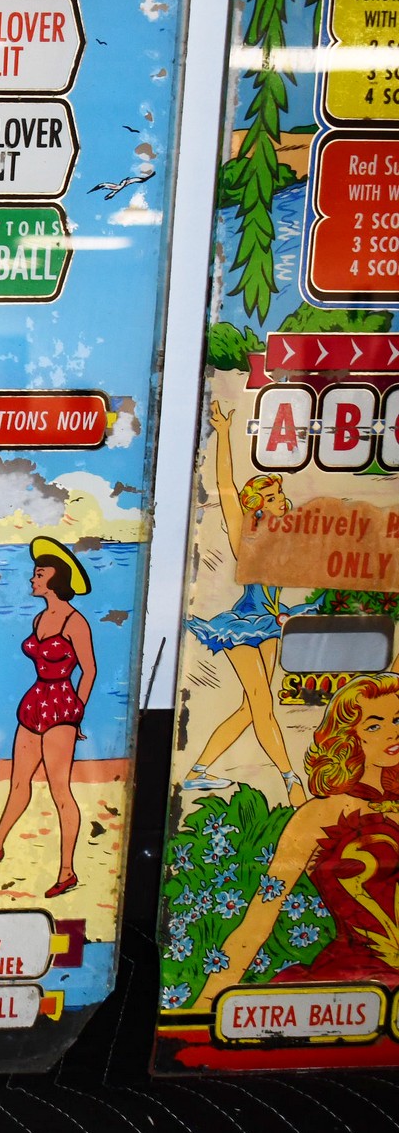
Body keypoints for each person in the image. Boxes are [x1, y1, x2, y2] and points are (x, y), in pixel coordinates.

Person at [197, 673, 399, 1007]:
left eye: (398, 720)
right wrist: (206, 1005)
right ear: (350, 738)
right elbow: (260, 917)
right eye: (374, 725)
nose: (393, 732)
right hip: (357, 981)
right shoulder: (318, 815)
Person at [182, 400, 314, 806]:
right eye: (272, 496)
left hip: (272, 624)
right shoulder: (246, 534)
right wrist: (223, 434)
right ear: (258, 505)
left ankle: (197, 771)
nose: (280, 499)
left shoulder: (282, 539)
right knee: (261, 703)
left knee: (249, 707)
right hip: (242, 625)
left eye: (279, 494)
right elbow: (225, 486)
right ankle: (290, 780)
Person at [0, 537, 95, 898]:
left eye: (39, 574)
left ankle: (67, 871)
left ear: (56, 579)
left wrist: (77, 714)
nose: (32, 578)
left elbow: (89, 670)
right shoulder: (40, 617)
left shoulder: (75, 621)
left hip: (60, 708)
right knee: (18, 783)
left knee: (60, 791)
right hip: (34, 702)